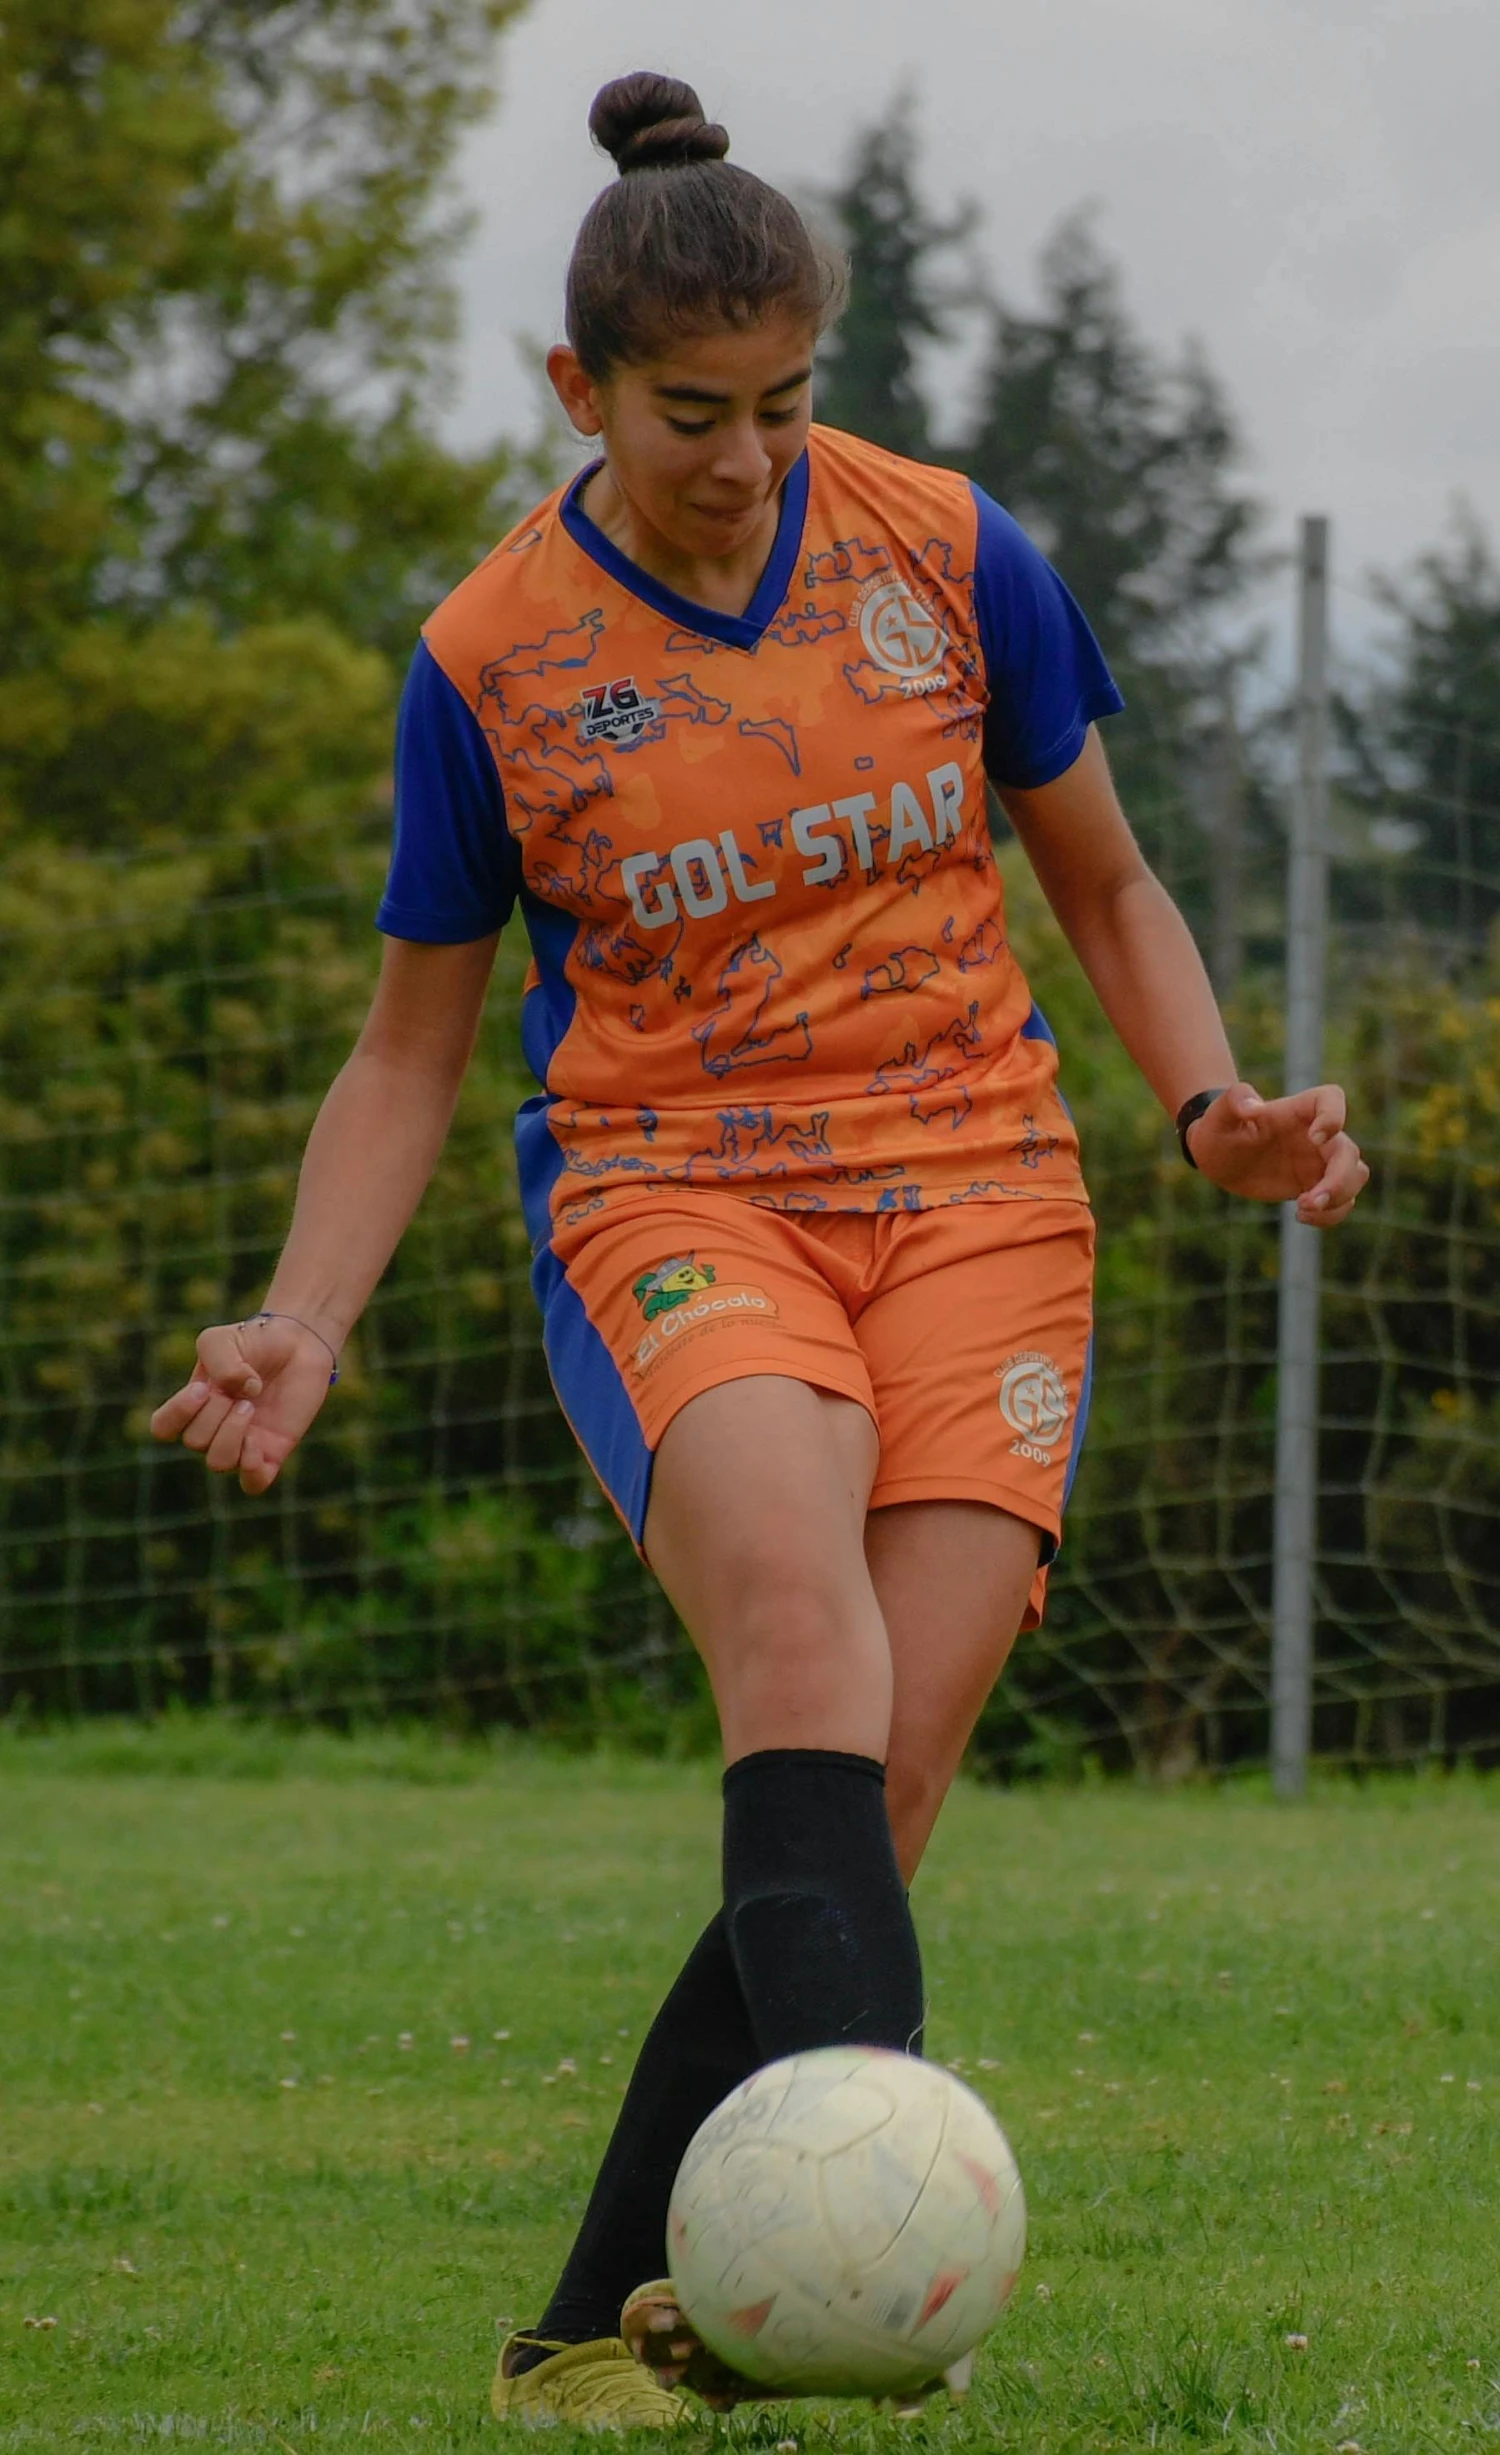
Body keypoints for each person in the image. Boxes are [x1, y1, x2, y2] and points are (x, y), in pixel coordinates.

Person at [150, 69, 1369, 2432]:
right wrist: (304, 1321)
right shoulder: (489, 657)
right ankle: (867, 2270)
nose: (743, 457)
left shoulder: (947, 548)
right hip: (678, 1197)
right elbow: (408, 1053)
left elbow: (1104, 882)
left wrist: (1211, 1108)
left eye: (785, 404)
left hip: (987, 1193)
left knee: (877, 1788)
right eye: (690, 414)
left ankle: (615, 2330)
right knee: (794, 1647)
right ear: (577, 391)